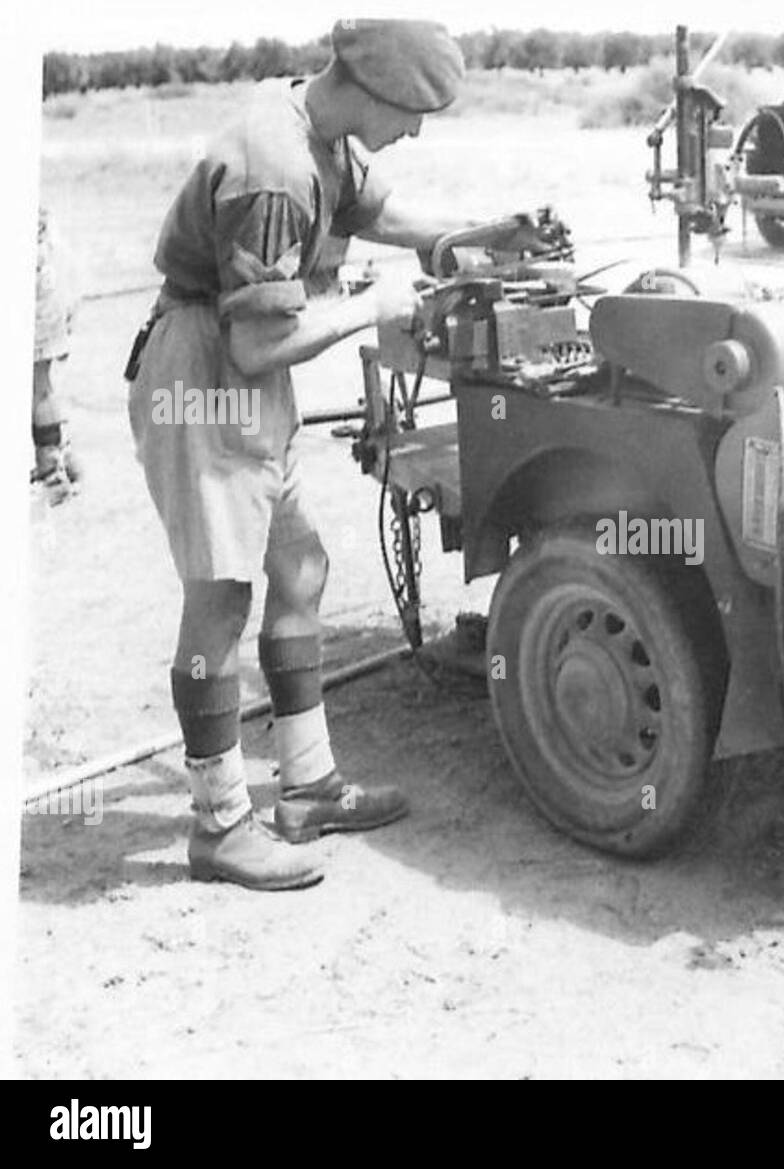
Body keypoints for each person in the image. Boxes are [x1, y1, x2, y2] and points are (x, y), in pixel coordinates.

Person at [127, 18, 469, 890]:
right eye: (414, 113)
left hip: (245, 366)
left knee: (302, 565)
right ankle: (219, 826)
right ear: (374, 90)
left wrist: (466, 236)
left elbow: (376, 208)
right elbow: (255, 347)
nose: (417, 131)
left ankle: (307, 782)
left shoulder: (315, 125)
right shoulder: (272, 167)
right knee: (221, 594)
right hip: (206, 372)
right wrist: (373, 308)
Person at [33, 206, 83, 503]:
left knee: (39, 388)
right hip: (50, 291)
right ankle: (59, 457)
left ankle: (52, 468)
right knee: (43, 386)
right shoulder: (46, 227)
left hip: (38, 298)